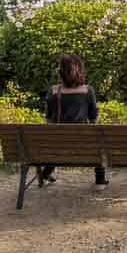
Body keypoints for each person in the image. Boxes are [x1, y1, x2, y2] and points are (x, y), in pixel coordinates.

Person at [39, 53, 107, 187]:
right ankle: (100, 180)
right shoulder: (88, 91)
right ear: (80, 71)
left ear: (61, 72)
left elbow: (48, 120)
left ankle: (45, 173)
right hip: (83, 145)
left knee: (58, 141)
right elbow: (93, 119)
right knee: (99, 142)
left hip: (58, 147)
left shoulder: (52, 91)